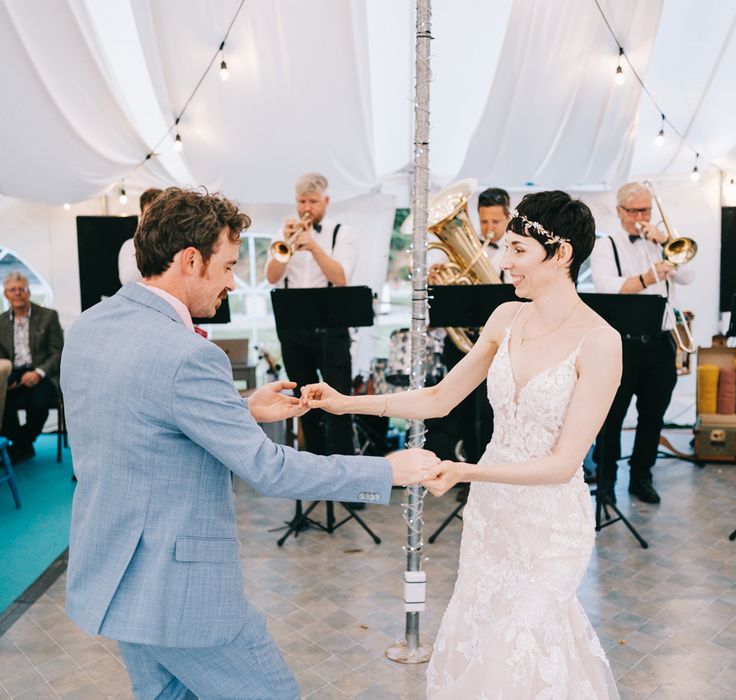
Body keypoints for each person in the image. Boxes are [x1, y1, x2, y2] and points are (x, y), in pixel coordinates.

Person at [60, 187, 440, 699]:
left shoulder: (89, 326)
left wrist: (240, 409)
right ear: (191, 260)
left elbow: (139, 417)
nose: (233, 282)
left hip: (113, 575)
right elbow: (270, 470)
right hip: (180, 590)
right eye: (228, 265)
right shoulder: (189, 355)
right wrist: (387, 471)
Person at [303, 190, 622, 698]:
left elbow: (562, 465)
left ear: (561, 254)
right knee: (487, 636)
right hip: (493, 515)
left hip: (550, 525)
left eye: (518, 249)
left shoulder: (601, 341)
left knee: (525, 634)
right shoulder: (504, 318)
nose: (504, 261)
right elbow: (439, 398)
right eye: (506, 247)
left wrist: (464, 472)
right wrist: (345, 404)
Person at [589, 181, 695, 504]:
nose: (642, 216)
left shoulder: (660, 242)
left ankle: (641, 476)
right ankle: (606, 482)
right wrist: (649, 278)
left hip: (661, 343)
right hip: (623, 346)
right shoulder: (606, 245)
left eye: (646, 210)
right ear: (620, 212)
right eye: (635, 210)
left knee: (653, 416)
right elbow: (607, 286)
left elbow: (688, 277)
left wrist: (665, 243)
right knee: (613, 417)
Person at [265, 173, 357, 457]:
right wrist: (289, 247)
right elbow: (271, 276)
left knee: (338, 403)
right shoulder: (283, 235)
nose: (307, 207)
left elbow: (340, 277)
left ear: (325, 201)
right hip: (294, 328)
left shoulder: (342, 233)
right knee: (304, 402)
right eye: (302, 201)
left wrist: (314, 246)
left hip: (332, 329)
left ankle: (345, 474)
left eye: (313, 201)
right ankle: (314, 467)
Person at [425, 187, 511, 467]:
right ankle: (470, 468)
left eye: (495, 222)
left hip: (500, 344)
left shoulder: (515, 252)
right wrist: (437, 281)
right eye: (483, 221)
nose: (488, 228)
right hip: (463, 342)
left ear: (508, 218)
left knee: (492, 409)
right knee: (463, 407)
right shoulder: (461, 251)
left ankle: (493, 469)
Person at [0, 272, 64, 464]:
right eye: (13, 289)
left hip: (43, 371)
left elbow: (58, 352)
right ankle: (23, 446)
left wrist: (38, 373)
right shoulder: (0, 322)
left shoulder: (48, 316)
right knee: (2, 403)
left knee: (38, 403)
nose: (18, 293)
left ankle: (21, 446)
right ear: (6, 294)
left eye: (22, 289)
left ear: (28, 292)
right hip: (13, 371)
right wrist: (5, 378)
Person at [118, 187, 163, 284]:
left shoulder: (174, 244)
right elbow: (127, 280)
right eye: (150, 215)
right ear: (142, 216)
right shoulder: (130, 246)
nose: (154, 220)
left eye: (158, 215)